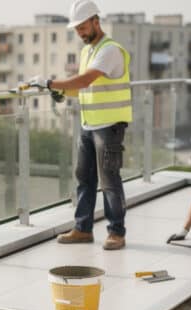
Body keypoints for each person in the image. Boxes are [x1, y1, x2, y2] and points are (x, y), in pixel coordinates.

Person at [32, 0, 132, 251]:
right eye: (76, 28)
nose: (79, 32)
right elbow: (84, 89)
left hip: (109, 126)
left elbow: (86, 80)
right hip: (89, 124)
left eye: (82, 27)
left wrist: (51, 83)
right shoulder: (88, 51)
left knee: (109, 180)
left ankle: (116, 232)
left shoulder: (109, 50)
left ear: (96, 21)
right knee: (84, 178)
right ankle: (83, 228)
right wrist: (64, 93)